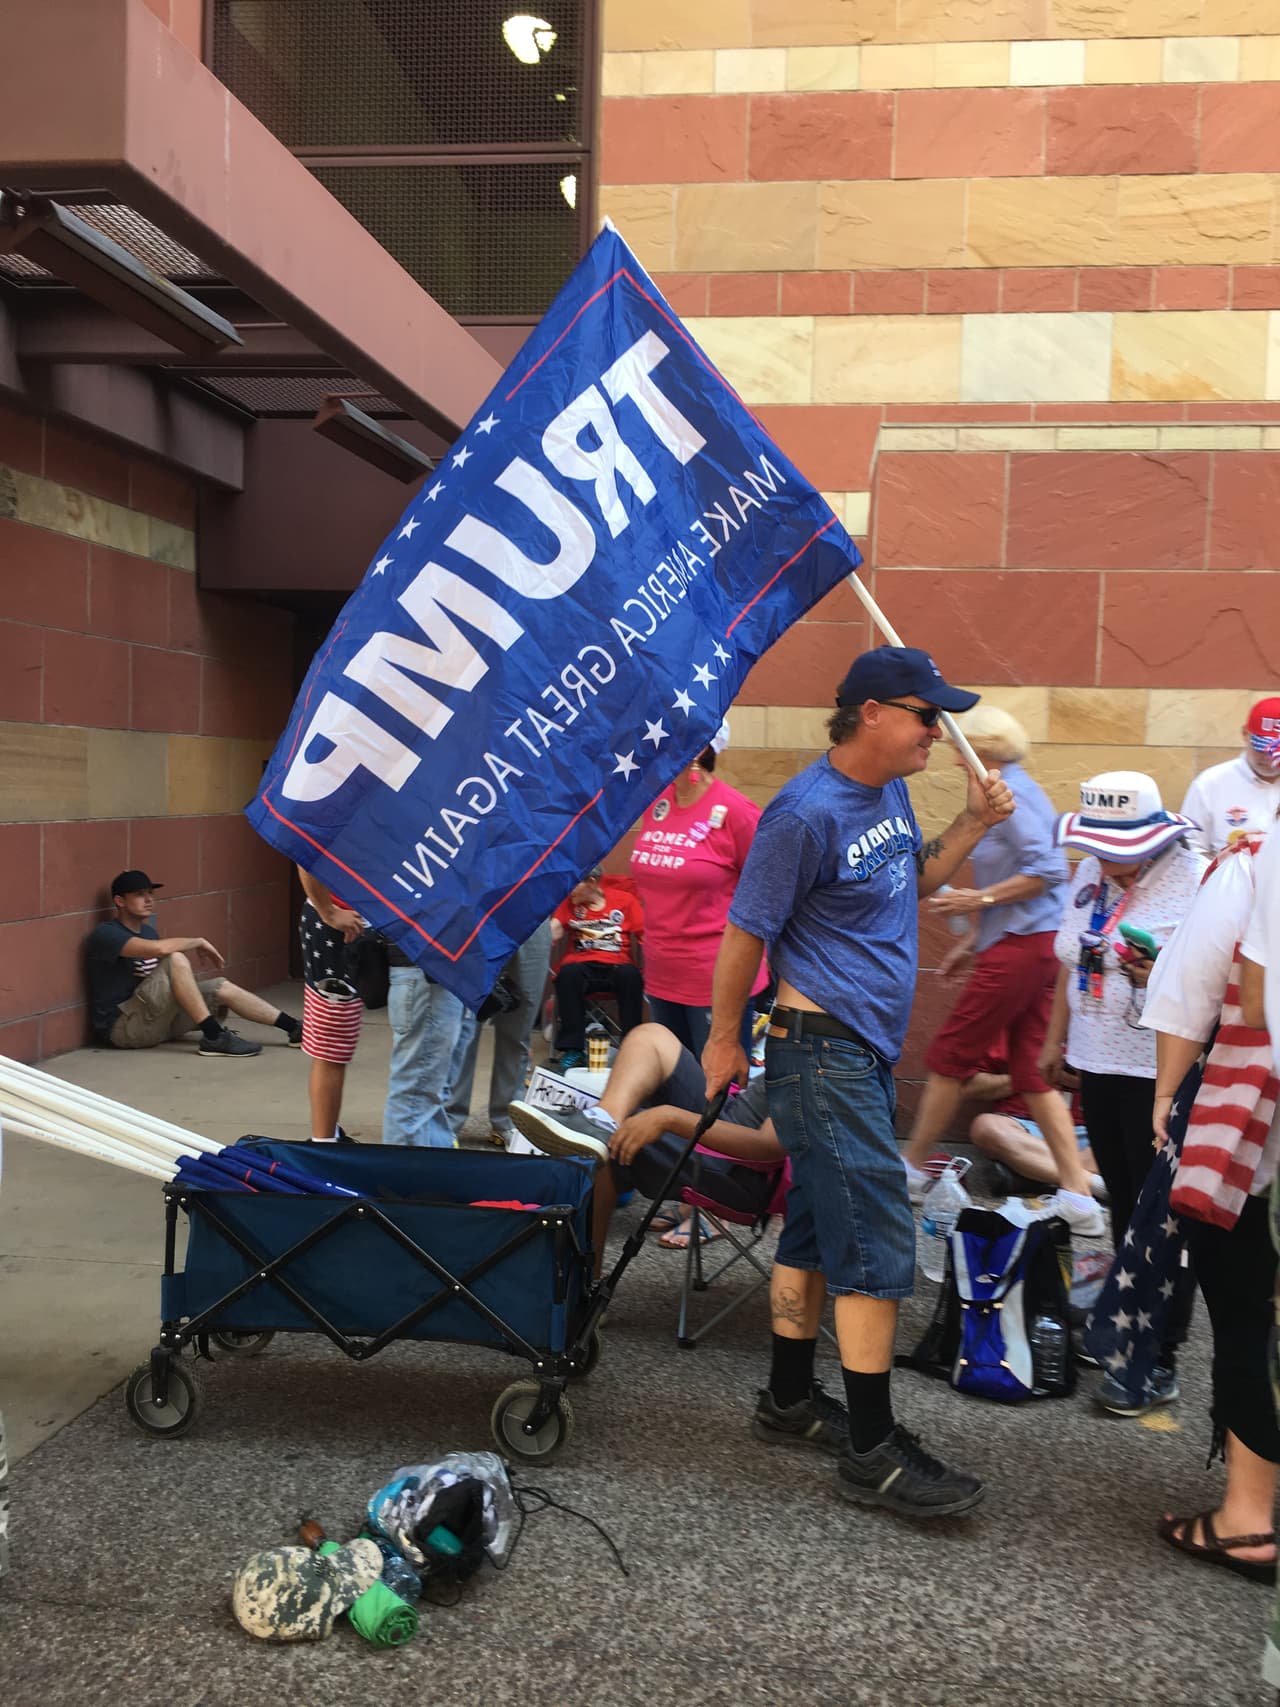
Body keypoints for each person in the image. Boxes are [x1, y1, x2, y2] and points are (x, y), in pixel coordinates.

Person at [702, 645, 1014, 1520]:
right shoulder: (802, 814)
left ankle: (789, 1399)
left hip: (858, 1052)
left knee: (810, 1227)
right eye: (928, 713)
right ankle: (872, 1449)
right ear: (872, 711)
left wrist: (973, 826)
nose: (939, 730)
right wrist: (724, 1042)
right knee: (875, 1245)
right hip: (821, 1050)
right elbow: (744, 932)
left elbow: (906, 881)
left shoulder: (889, 790)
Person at [1134, 831, 1280, 1586]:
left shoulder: (1252, 865)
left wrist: (1165, 1093)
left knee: (1248, 1307)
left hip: (1255, 1128)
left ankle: (1249, 1516)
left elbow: (1191, 991)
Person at [1038, 771, 1204, 1415]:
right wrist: (1056, 1044)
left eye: (1120, 849)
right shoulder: (1089, 874)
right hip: (1098, 1061)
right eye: (1100, 846)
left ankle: (1159, 1355)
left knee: (1160, 1214)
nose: (1108, 860)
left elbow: (1212, 979)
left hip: (1158, 1071)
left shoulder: (1194, 879)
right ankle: (1125, 1324)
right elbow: (1067, 962)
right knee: (1122, 1209)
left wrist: (1157, 970)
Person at [898, 707, 1100, 1231]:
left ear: (978, 751)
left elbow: (1049, 869)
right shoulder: (1012, 788)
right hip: (1030, 944)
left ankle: (914, 1168)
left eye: (959, 749)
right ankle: (1079, 1200)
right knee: (1034, 1072)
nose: (952, 755)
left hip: (1022, 946)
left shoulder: (1013, 793)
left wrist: (977, 897)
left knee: (950, 1055)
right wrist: (975, 940)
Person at [509, 1021, 792, 1294]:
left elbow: (768, 1147)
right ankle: (601, 1119)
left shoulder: (819, 1040)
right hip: (730, 1112)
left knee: (608, 1147)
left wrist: (669, 1118)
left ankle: (583, 1292)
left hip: (742, 1165)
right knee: (651, 1037)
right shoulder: (807, 1005)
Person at [629, 719, 766, 1059]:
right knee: (673, 1086)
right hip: (661, 972)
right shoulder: (656, 803)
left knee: (715, 1096)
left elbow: (768, 891)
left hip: (715, 979)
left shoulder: (737, 811)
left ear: (699, 750)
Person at [87, 870, 300, 1058]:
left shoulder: (149, 933)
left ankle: (295, 1029)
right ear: (120, 901)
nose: (149, 899)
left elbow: (161, 980)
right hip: (124, 1028)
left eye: (150, 893)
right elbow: (160, 951)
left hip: (157, 1023)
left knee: (220, 986)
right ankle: (214, 1036)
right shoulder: (106, 934)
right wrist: (197, 941)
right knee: (176, 958)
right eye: (139, 894)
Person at [446, 921, 553, 1149]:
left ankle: (507, 1119)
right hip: (481, 911)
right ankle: (449, 1120)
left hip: (534, 912)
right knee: (465, 1029)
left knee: (519, 1028)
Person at [550, 866, 644, 1069]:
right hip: (580, 965)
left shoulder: (625, 901)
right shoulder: (569, 904)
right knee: (567, 974)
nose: (569, 890)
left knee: (632, 976)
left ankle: (632, 1049)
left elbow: (645, 936)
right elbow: (554, 931)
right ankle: (573, 1050)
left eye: (574, 884)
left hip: (618, 965)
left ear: (591, 882)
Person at [967, 1063, 1104, 1200]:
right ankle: (1096, 1184)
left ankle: (1032, 1171)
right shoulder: (1007, 1042)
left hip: (1091, 1130)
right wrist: (1030, 1078)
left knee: (1117, 1142)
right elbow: (973, 1086)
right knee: (985, 1127)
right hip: (1024, 1128)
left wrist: (1089, 1083)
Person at [297, 869, 365, 1141]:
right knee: (332, 1043)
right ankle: (324, 1142)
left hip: (381, 917)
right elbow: (304, 844)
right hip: (341, 923)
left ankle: (328, 1136)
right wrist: (329, 911)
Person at [382, 943, 467, 1149]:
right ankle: (401, 1177)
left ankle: (430, 1171)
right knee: (413, 1095)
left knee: (427, 1094)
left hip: (441, 972)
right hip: (427, 972)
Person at [1180, 696, 1280, 856]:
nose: (1269, 757)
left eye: (1277, 750)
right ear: (1245, 734)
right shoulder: (1210, 784)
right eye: (1261, 747)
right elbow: (1191, 849)